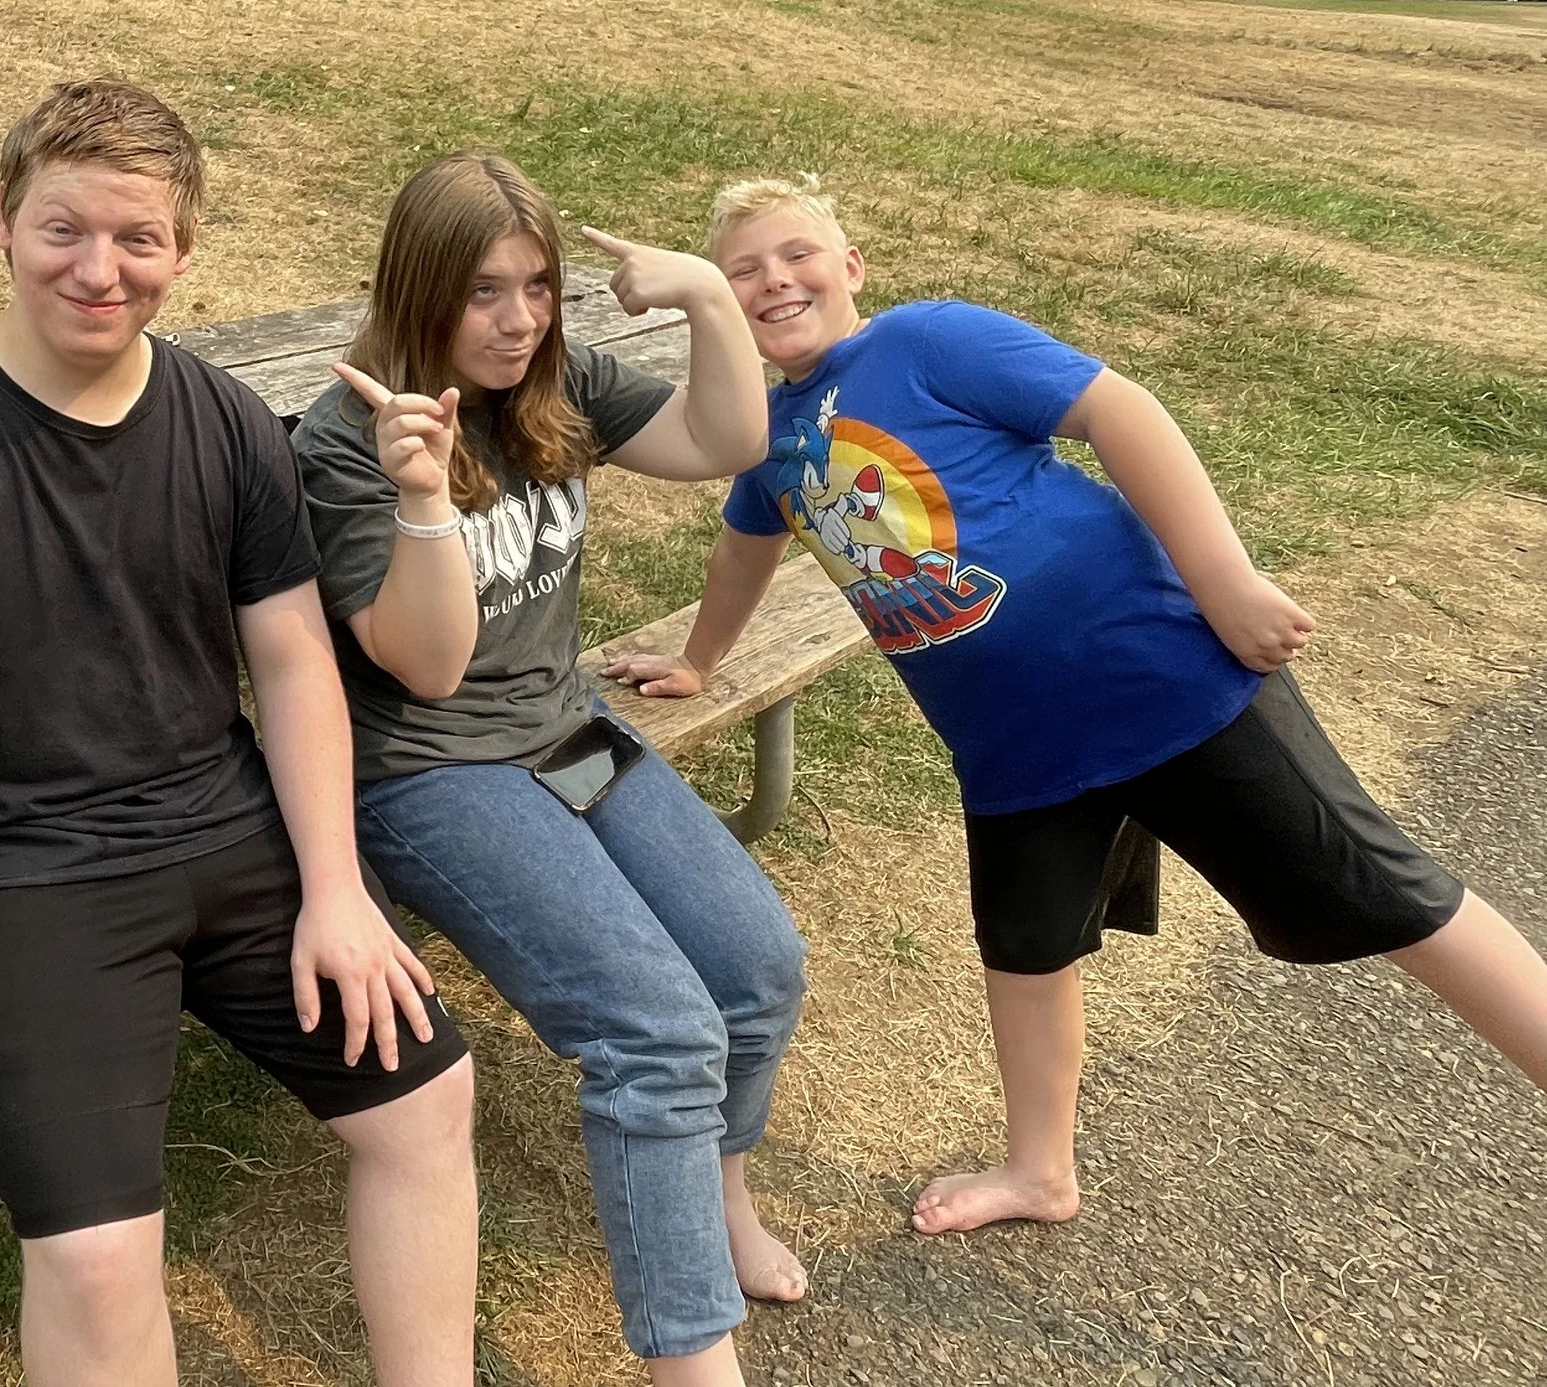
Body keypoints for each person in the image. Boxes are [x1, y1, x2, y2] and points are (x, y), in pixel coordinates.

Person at [608, 174, 1547, 1239]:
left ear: (851, 267)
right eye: (743, 271)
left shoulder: (926, 341)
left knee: (1387, 892)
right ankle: (1038, 1173)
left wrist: (1222, 580)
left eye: (796, 253)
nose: (774, 279)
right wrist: (697, 657)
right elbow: (744, 546)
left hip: (1163, 686)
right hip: (1012, 750)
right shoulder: (765, 434)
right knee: (1025, 949)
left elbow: (1116, 409)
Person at [0, 80, 479, 1387]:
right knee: (98, 1257)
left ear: (183, 252)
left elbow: (294, 659)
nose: (100, 267)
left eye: (138, 239)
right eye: (64, 229)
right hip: (8, 878)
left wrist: (339, 892)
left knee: (426, 1099)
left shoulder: (229, 420)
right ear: (4, 223)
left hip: (226, 838)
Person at [289, 154, 809, 1387]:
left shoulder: (549, 378)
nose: (518, 319)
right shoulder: (346, 440)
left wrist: (709, 302)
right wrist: (421, 499)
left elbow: (730, 439)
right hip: (427, 775)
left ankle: (719, 1197)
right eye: (482, 293)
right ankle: (692, 1359)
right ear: (418, 291)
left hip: (561, 734)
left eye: (537, 287)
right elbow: (423, 670)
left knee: (753, 968)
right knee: (654, 1025)